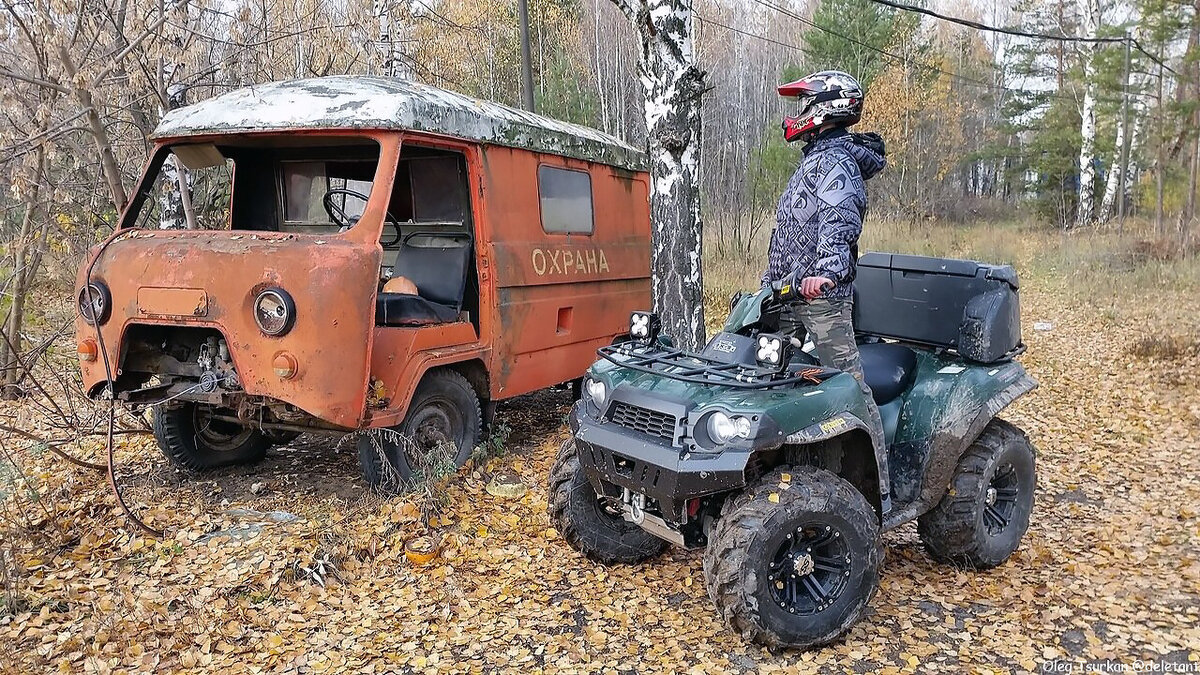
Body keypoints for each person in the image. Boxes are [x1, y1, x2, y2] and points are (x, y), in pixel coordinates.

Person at [760, 70, 887, 447]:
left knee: (848, 386)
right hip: (786, 293)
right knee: (765, 374)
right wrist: (771, 281)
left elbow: (841, 219)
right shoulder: (814, 159)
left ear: (825, 108)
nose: (798, 113)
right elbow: (792, 231)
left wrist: (827, 272)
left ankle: (882, 485)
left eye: (805, 104)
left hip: (820, 299)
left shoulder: (837, 162)